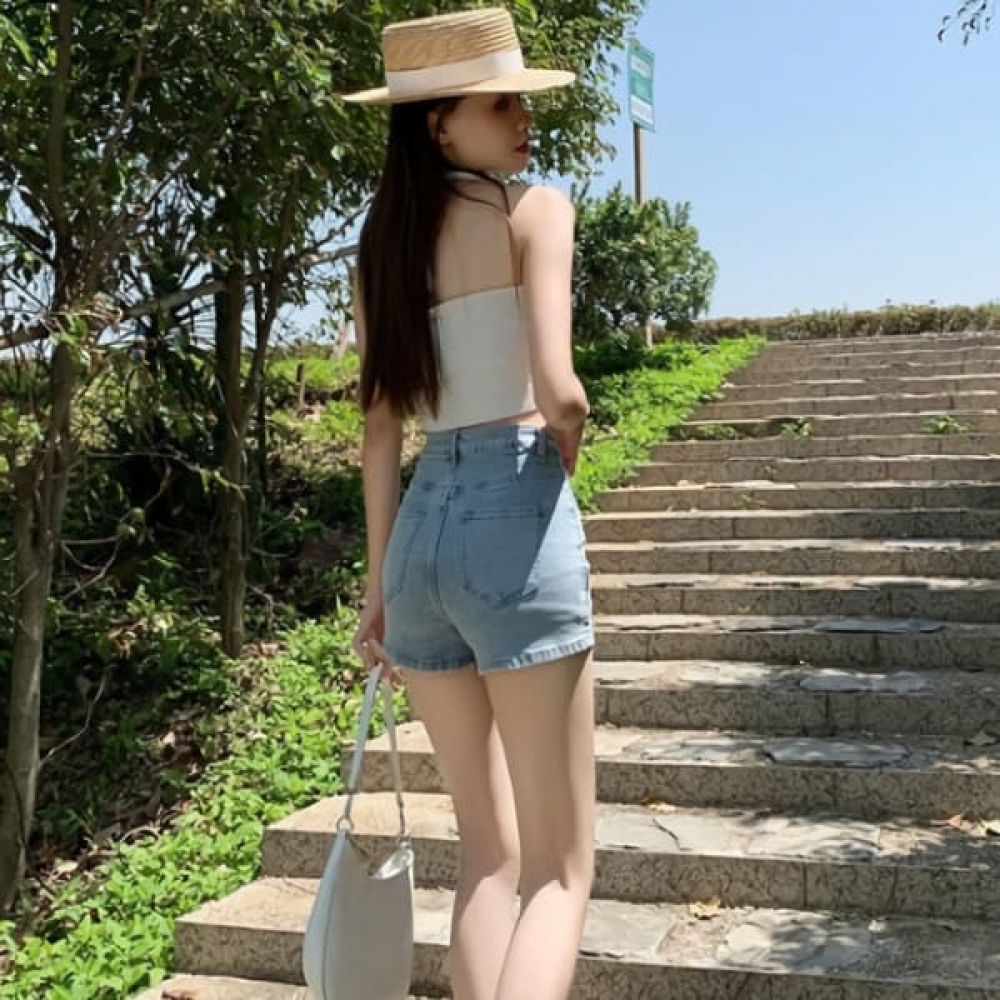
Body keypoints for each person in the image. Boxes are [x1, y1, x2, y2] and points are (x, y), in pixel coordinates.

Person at [344, 9, 595, 1000]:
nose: (523, 119)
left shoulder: (380, 251)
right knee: (560, 871)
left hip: (419, 542)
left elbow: (379, 433)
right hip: (511, 507)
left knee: (487, 855)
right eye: (500, 104)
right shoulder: (533, 212)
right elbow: (562, 392)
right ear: (437, 121)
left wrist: (377, 586)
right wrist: (565, 442)